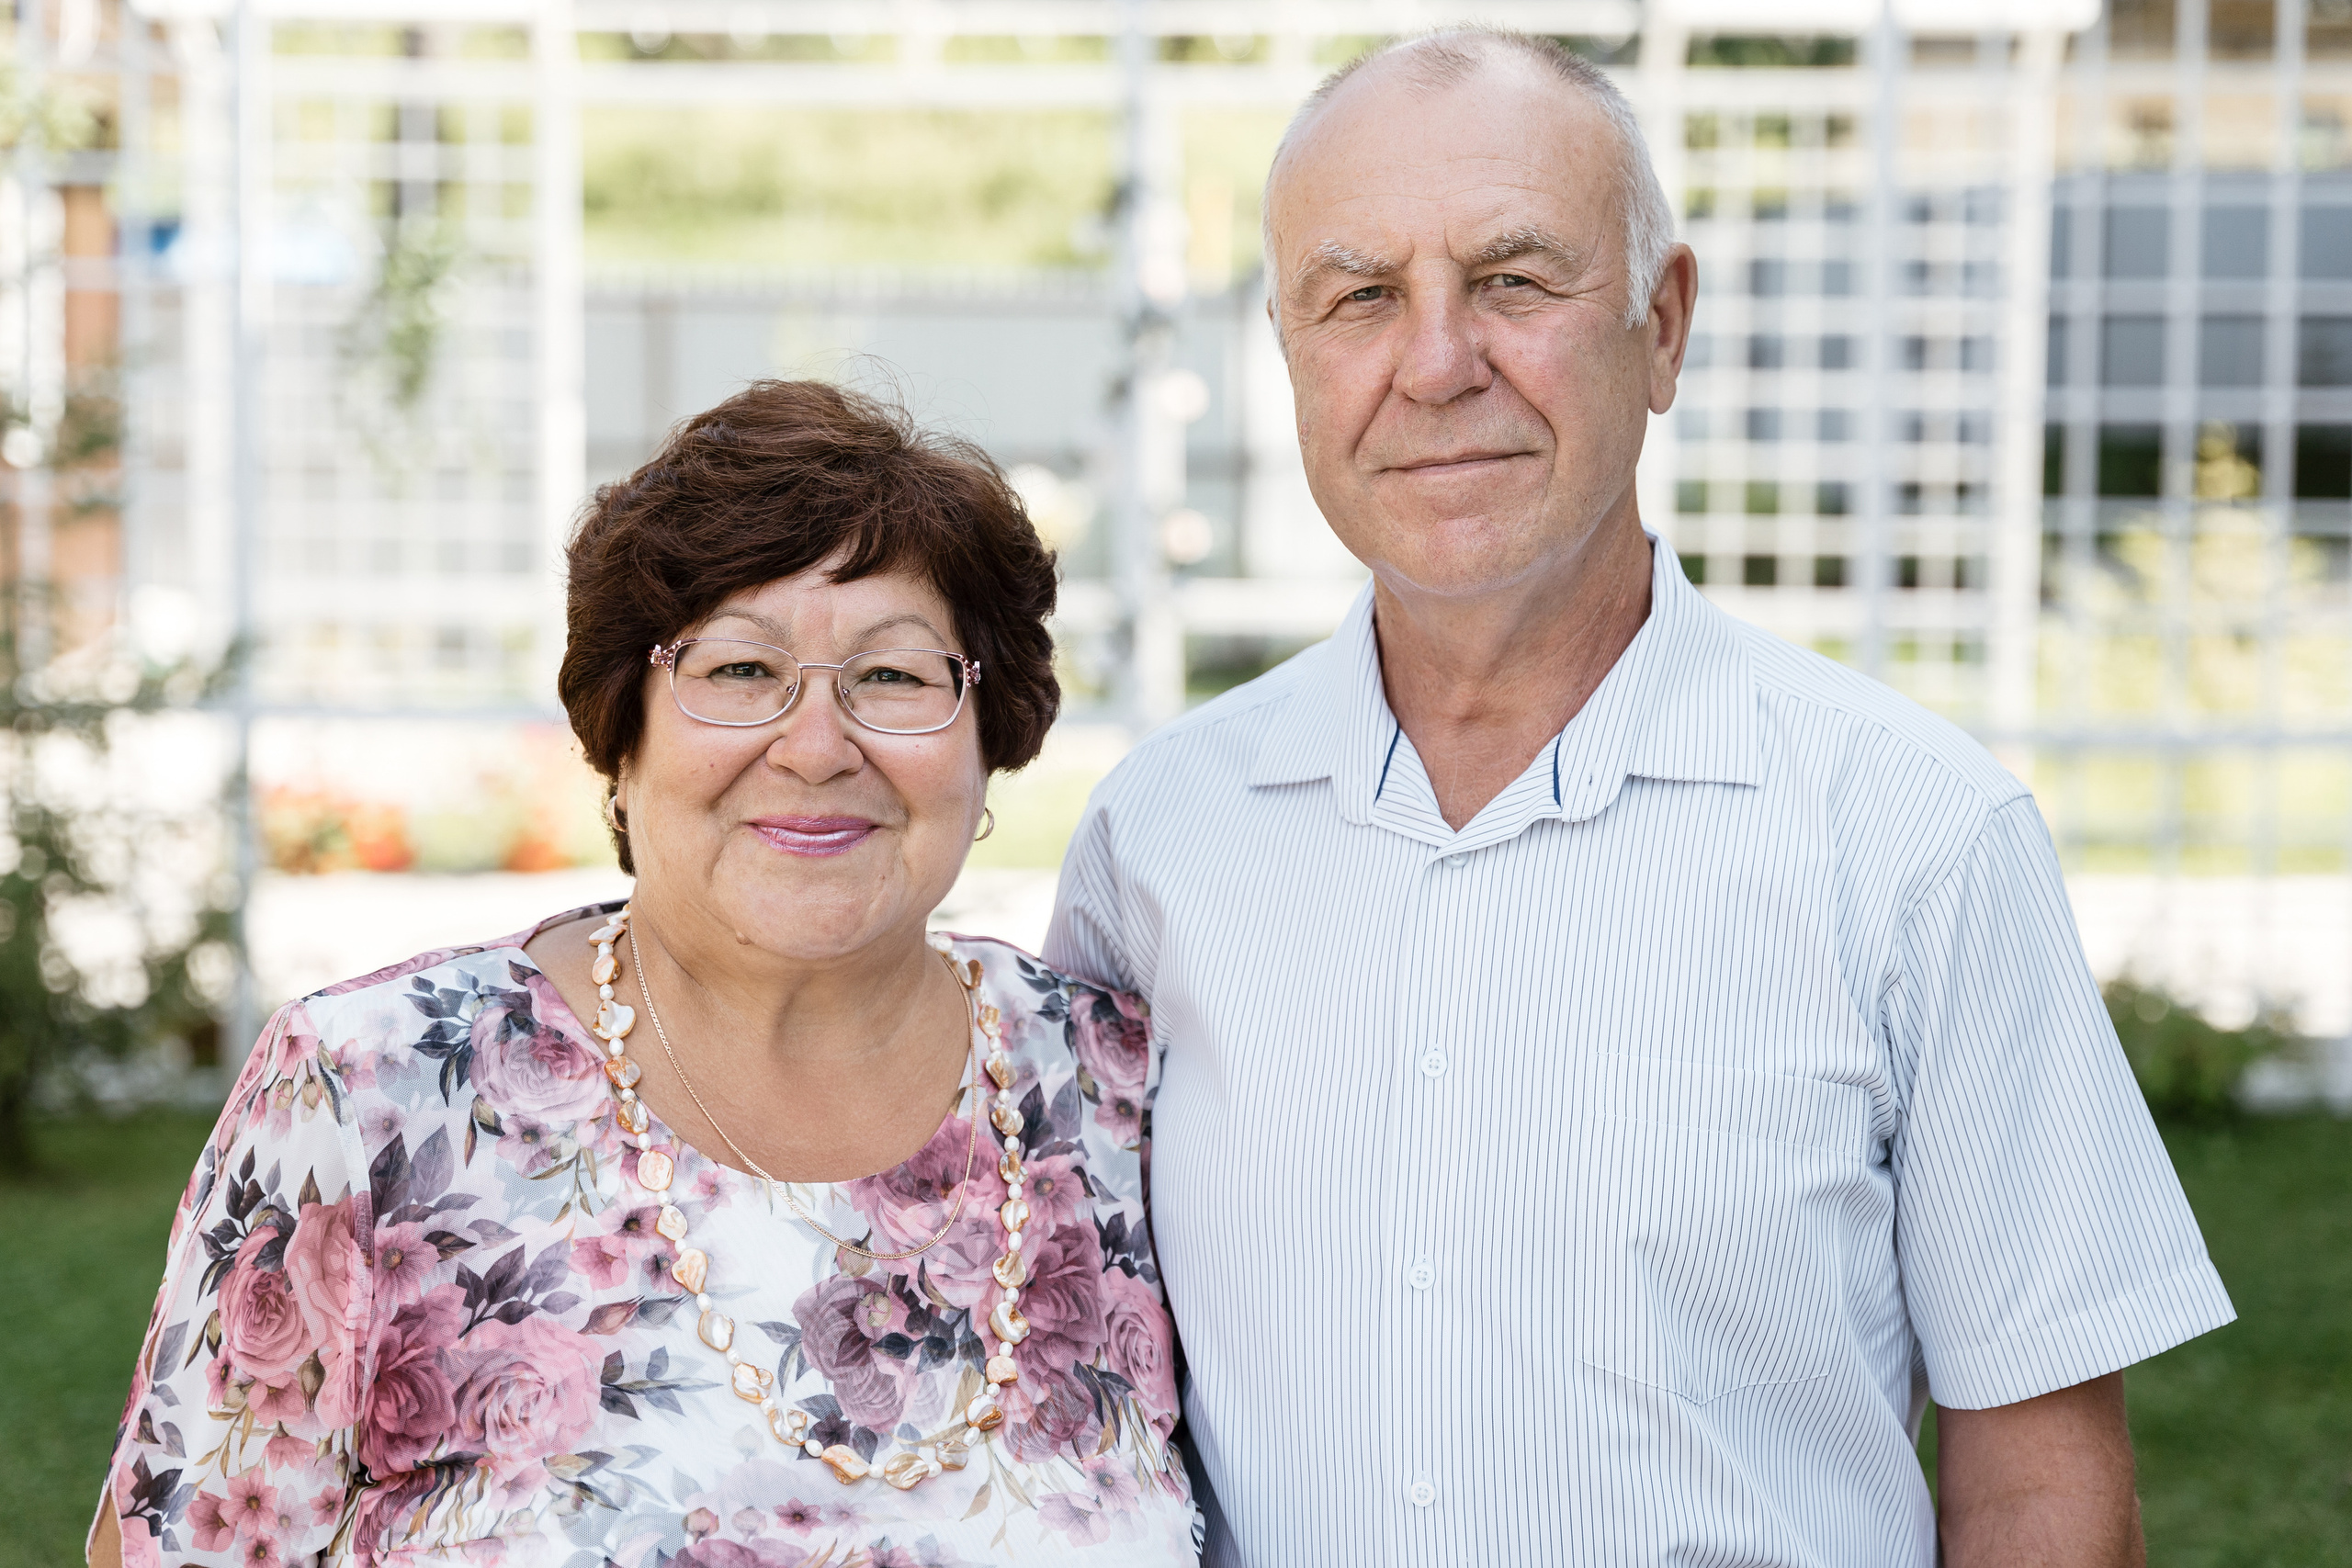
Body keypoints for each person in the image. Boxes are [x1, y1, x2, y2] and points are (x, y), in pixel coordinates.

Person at [1046, 28, 2233, 1568]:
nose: (1435, 362)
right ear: (1290, 354)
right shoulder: (1161, 844)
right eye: (1360, 299)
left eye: (1516, 280)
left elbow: (2039, 1483)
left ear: (1661, 327)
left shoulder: (1917, 839)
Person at [94, 381, 1202, 1567]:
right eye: (737, 672)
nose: (818, 746)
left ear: (992, 741)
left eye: (892, 677)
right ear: (620, 734)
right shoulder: (373, 1091)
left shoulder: (1119, 1086)